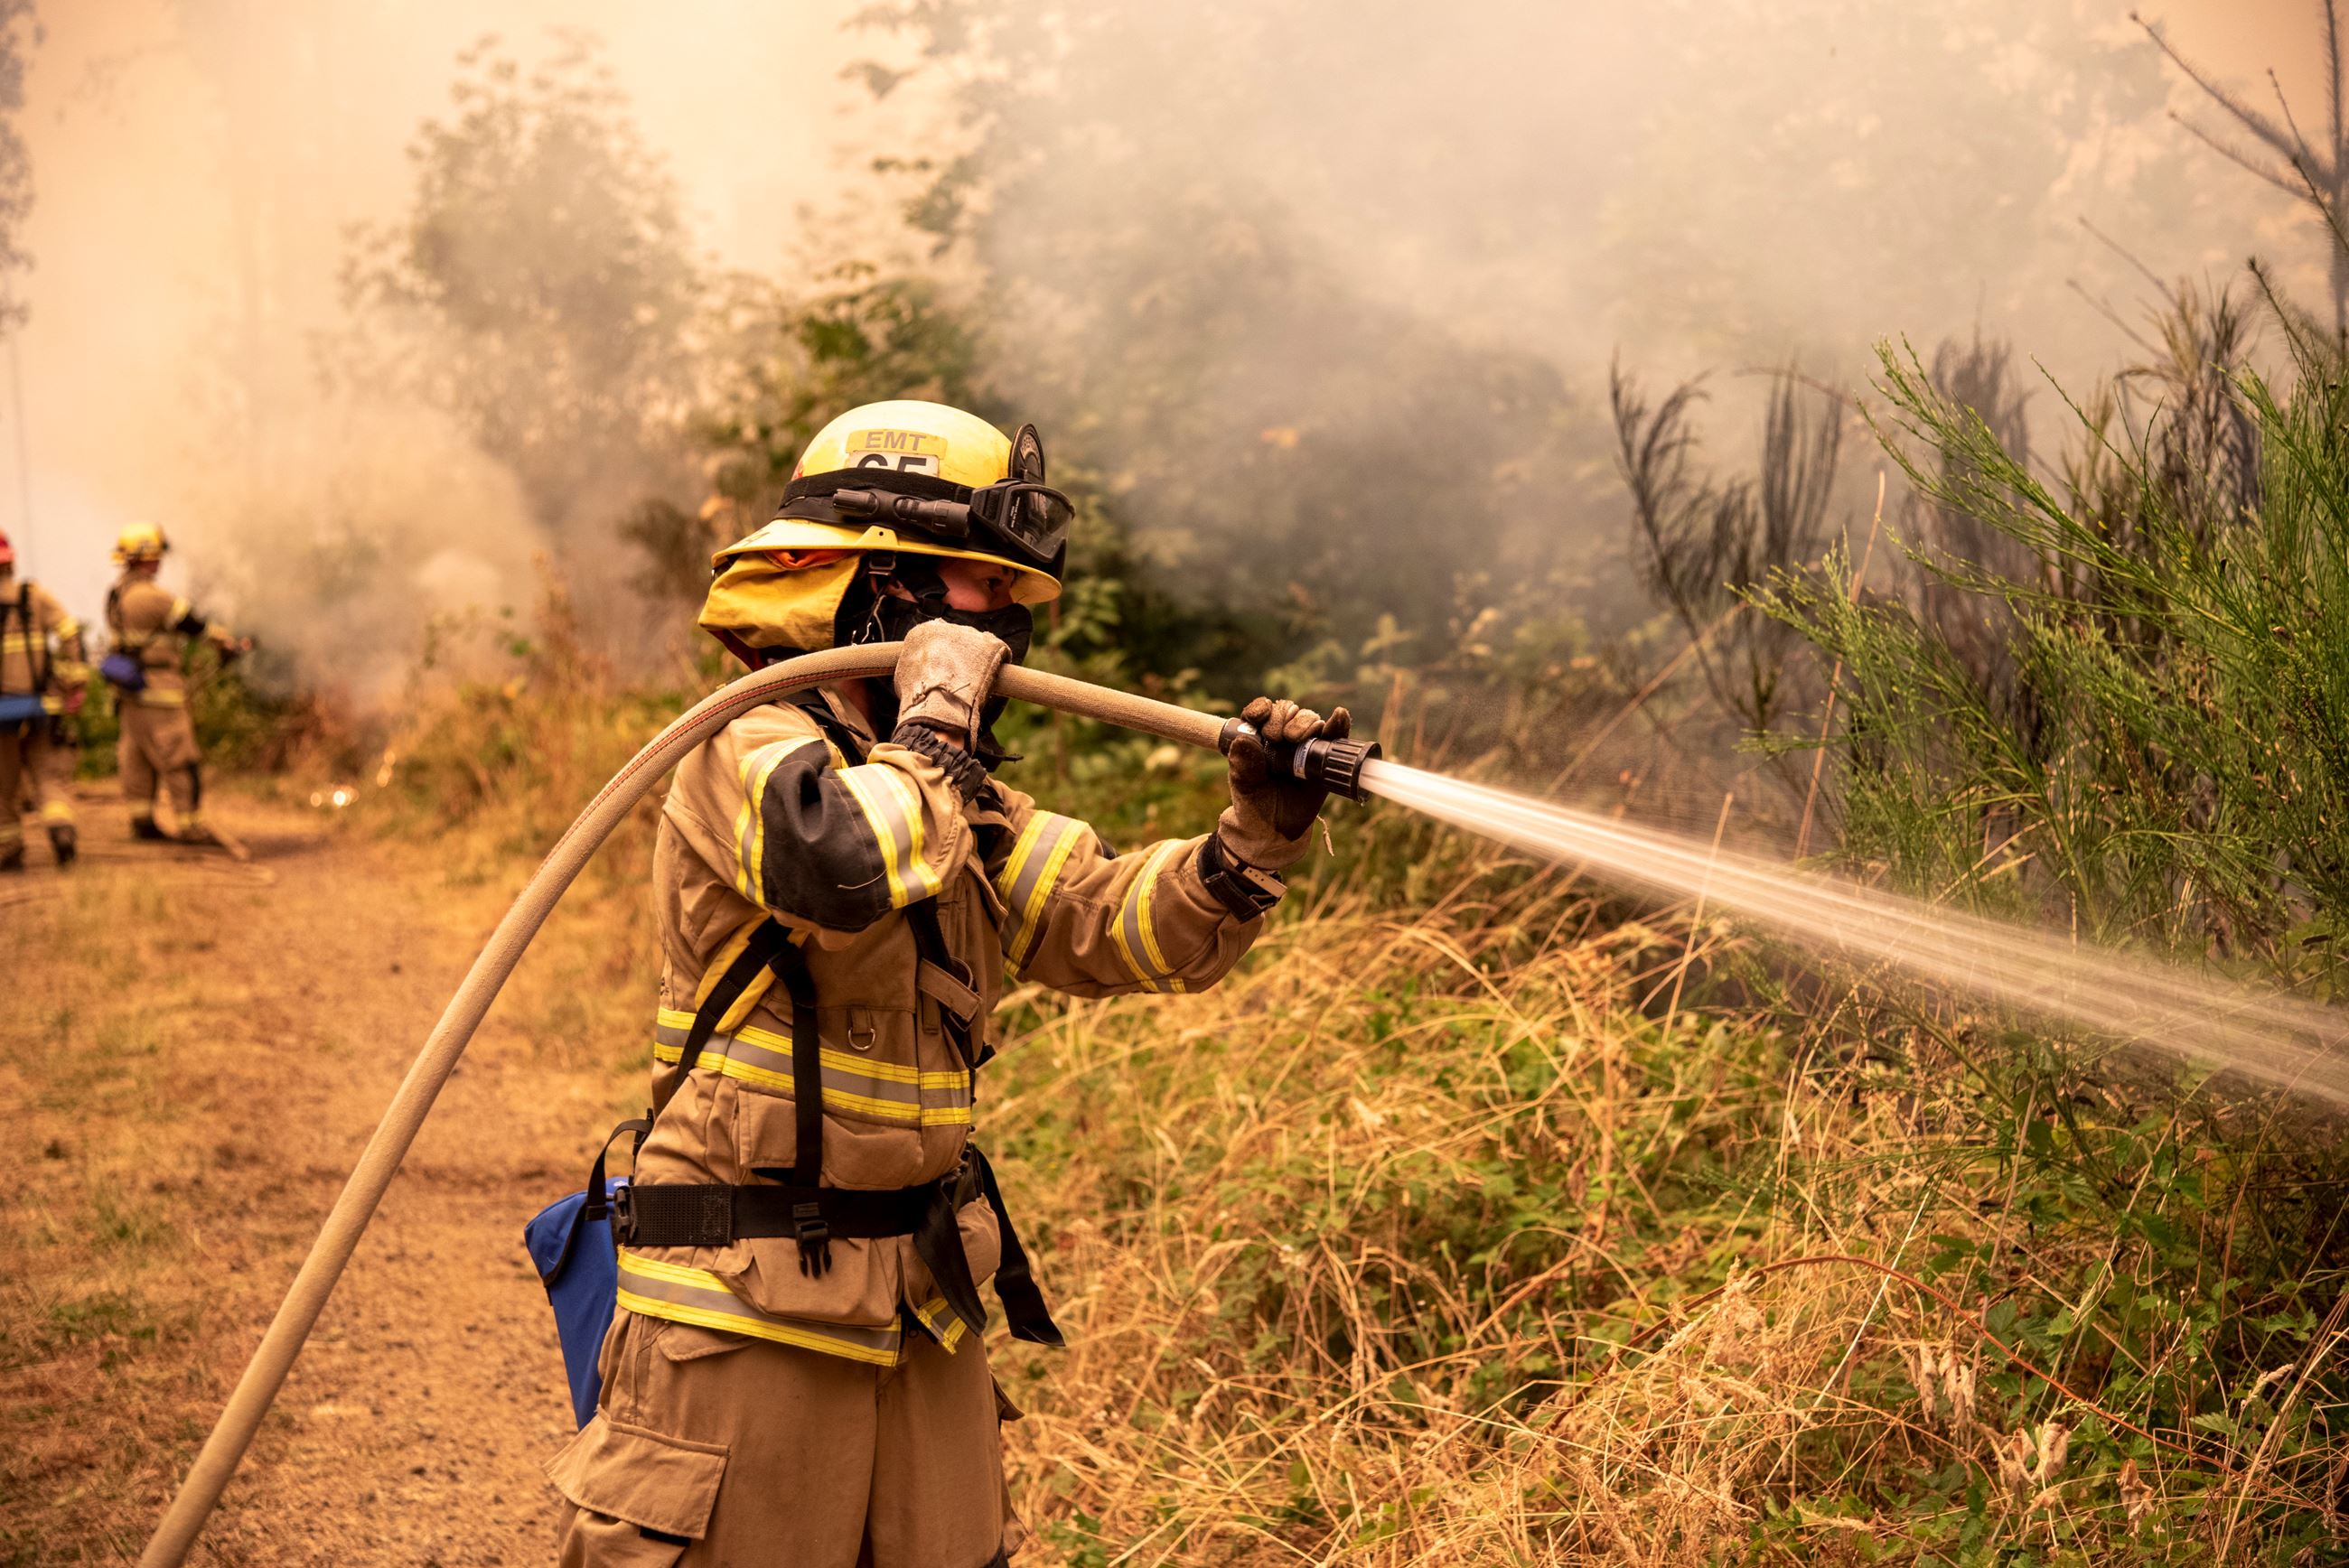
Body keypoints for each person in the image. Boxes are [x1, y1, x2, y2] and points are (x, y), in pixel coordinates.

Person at [547, 400, 1351, 1567]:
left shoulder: (946, 791)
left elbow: (1105, 922)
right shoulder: (747, 743)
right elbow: (832, 864)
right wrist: (934, 722)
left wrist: (1248, 846)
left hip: (916, 1306)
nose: (1004, 625)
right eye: (980, 592)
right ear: (883, 589)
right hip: (743, 1313)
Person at [101, 521, 247, 845]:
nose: (160, 563)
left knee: (136, 757)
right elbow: (194, 624)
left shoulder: (116, 595)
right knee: (180, 758)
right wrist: (225, 642)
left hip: (129, 693)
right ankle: (190, 826)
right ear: (145, 558)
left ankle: (142, 822)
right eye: (156, 556)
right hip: (159, 691)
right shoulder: (151, 597)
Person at [0, 527, 89, 869]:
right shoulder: (34, 596)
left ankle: (8, 850)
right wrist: (75, 680)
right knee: (50, 777)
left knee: (3, 786)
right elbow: (70, 632)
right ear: (12, 562)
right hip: (42, 706)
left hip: (1, 716)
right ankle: (61, 831)